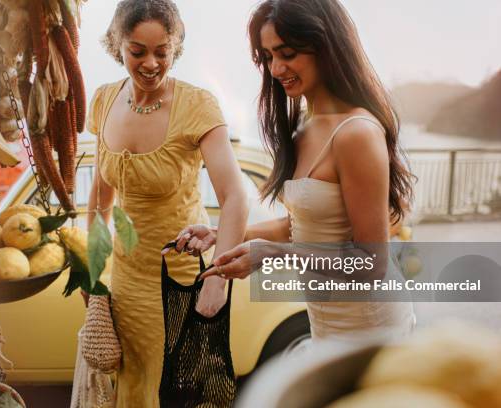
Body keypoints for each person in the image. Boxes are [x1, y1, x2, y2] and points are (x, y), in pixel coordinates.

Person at [172, 0, 415, 344]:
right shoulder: (304, 129)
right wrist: (224, 234)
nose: (275, 68)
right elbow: (301, 226)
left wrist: (269, 254)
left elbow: (371, 264)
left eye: (286, 53)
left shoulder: (356, 133)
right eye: (268, 56)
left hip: (370, 324)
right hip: (325, 323)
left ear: (325, 46)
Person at [84, 0, 248, 406]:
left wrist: (218, 280)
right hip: (124, 283)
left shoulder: (198, 106)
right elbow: (101, 195)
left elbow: (235, 198)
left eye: (164, 51)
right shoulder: (104, 99)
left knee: (173, 392)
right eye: (137, 51)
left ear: (177, 47)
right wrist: (91, 269)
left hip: (177, 285)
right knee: (131, 391)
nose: (152, 63)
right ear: (117, 44)